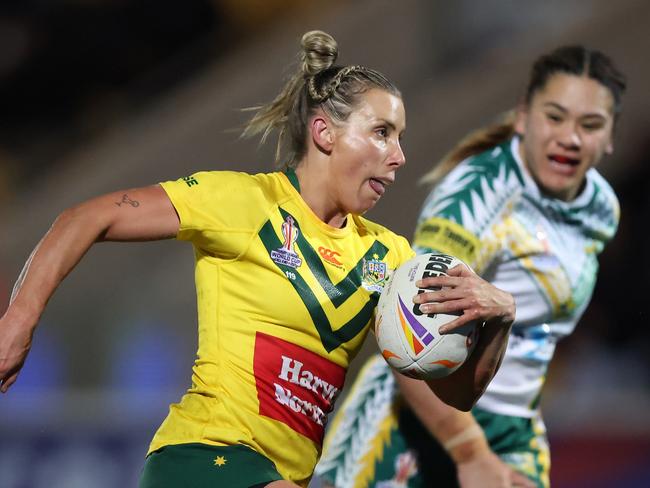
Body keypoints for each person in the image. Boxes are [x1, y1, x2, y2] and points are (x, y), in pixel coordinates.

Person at [0, 31, 516, 488]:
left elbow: (455, 391)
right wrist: (19, 320)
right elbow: (85, 218)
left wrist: (497, 319)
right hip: (203, 460)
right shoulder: (243, 203)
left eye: (399, 137)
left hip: (276, 477)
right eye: (382, 132)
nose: (399, 155)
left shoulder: (391, 257)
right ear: (324, 133)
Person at [315, 45, 626, 488]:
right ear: (523, 117)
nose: (571, 138)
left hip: (513, 426)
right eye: (554, 117)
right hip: (418, 418)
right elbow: (409, 324)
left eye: (590, 125)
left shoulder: (601, 210)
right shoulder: (476, 196)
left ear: (610, 136)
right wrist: (469, 450)